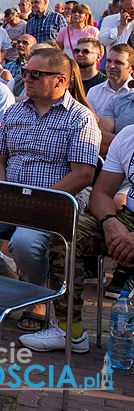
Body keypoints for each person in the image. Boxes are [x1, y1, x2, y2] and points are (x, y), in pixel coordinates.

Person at [0, 47, 100, 335]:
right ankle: (12, 280)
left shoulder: (80, 118)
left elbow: (83, 173)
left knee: (25, 243)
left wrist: (39, 201)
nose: (25, 78)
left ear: (60, 80)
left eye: (35, 74)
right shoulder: (16, 110)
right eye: (25, 72)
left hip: (54, 203)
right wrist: (3, 192)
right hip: (11, 197)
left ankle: (36, 299)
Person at [29, 125, 134, 354]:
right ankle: (70, 331)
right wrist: (110, 222)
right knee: (68, 231)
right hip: (127, 217)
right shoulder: (128, 136)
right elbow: (101, 192)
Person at [86, 44, 134, 115]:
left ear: (131, 68)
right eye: (109, 61)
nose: (111, 66)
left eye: (118, 62)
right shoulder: (94, 92)